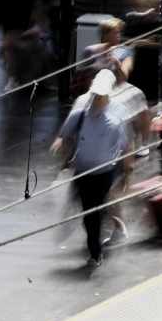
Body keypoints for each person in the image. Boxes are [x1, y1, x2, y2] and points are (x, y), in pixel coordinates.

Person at [52, 68, 131, 269]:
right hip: (83, 171)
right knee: (90, 215)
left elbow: (125, 146)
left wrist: (127, 170)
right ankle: (96, 245)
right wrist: (60, 144)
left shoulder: (117, 115)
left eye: (101, 96)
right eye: (95, 94)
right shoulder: (80, 111)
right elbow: (65, 132)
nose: (96, 99)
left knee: (95, 213)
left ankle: (96, 252)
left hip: (104, 173)